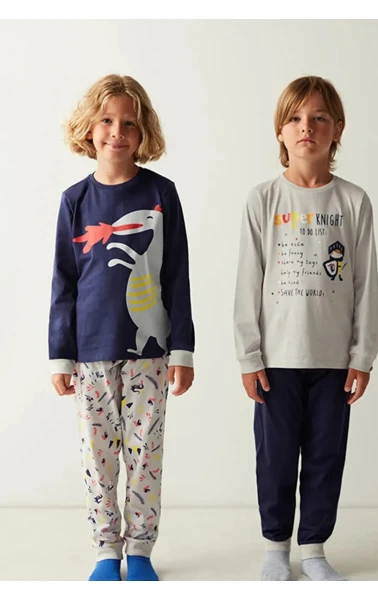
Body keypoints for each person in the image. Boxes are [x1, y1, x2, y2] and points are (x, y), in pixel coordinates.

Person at [234, 75, 378, 581]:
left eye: (319, 118)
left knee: (325, 456)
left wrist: (362, 355)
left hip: (333, 360)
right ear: (280, 130)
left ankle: (314, 549)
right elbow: (248, 281)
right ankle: (276, 547)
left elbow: (365, 284)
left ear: (337, 129)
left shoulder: (353, 202)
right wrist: (249, 355)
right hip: (276, 359)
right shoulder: (263, 199)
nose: (307, 127)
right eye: (295, 118)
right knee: (274, 458)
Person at [48, 74, 195, 581]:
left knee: (145, 455)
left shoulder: (161, 193)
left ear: (143, 130)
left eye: (129, 123)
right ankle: (106, 550)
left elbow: (177, 275)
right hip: (89, 354)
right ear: (89, 128)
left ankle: (141, 550)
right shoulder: (75, 200)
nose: (117, 132)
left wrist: (183, 349)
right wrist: (60, 354)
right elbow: (64, 282)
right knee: (98, 458)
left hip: (149, 352)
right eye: (107, 120)